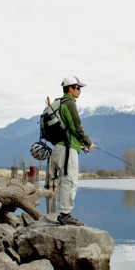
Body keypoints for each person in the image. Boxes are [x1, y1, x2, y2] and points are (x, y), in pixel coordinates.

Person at [51, 75, 95, 226]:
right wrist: (88, 142)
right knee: (70, 180)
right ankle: (65, 214)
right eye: (78, 88)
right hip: (67, 149)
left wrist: (81, 142)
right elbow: (77, 127)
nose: (80, 91)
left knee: (66, 180)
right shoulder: (69, 103)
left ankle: (64, 213)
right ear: (70, 89)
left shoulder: (61, 103)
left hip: (62, 147)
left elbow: (69, 128)